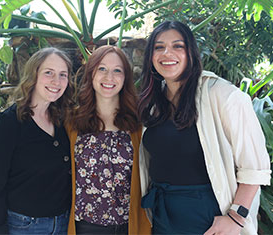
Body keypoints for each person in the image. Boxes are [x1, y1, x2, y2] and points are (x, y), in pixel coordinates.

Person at [137, 20, 271, 235]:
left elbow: (255, 168)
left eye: (177, 46)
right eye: (159, 47)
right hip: (162, 213)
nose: (167, 53)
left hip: (209, 214)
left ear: (191, 52)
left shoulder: (223, 95)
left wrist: (235, 219)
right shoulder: (152, 103)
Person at [0, 47, 75, 234]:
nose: (56, 81)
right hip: (23, 226)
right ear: (33, 75)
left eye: (62, 74)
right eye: (48, 73)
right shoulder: (7, 124)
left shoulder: (62, 120)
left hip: (63, 224)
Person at [65, 45, 151, 234]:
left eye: (117, 70)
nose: (109, 77)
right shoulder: (72, 122)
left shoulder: (137, 124)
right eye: (102, 68)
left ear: (126, 77)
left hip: (128, 226)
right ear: (91, 74)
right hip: (85, 227)